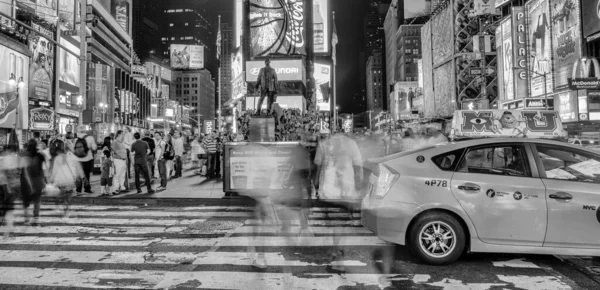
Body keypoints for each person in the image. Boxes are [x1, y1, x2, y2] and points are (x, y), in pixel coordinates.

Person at [49, 139, 79, 216]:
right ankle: (67, 210)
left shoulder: (58, 158)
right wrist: (76, 177)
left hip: (61, 180)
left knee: (62, 195)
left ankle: (63, 208)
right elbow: (75, 168)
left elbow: (55, 170)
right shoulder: (71, 157)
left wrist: (51, 179)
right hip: (69, 179)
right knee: (68, 196)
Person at [21, 139, 46, 226]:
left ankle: (27, 218)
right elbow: (41, 169)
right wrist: (43, 181)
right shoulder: (39, 155)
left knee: (26, 201)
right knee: (37, 200)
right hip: (38, 180)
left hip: (26, 181)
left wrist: (29, 185)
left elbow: (25, 171)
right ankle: (36, 218)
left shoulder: (24, 156)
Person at [73, 125, 97, 194]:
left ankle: (78, 189)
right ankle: (87, 189)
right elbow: (94, 148)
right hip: (88, 159)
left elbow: (73, 150)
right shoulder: (90, 138)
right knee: (86, 175)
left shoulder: (75, 139)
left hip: (77, 160)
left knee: (78, 175)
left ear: (78, 131)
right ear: (85, 130)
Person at [112, 130, 128, 194]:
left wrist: (125, 158)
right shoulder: (115, 142)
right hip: (118, 160)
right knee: (117, 174)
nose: (124, 135)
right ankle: (115, 188)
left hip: (123, 160)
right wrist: (121, 157)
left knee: (122, 175)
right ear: (118, 134)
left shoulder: (121, 143)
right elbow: (114, 151)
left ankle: (122, 187)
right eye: (123, 134)